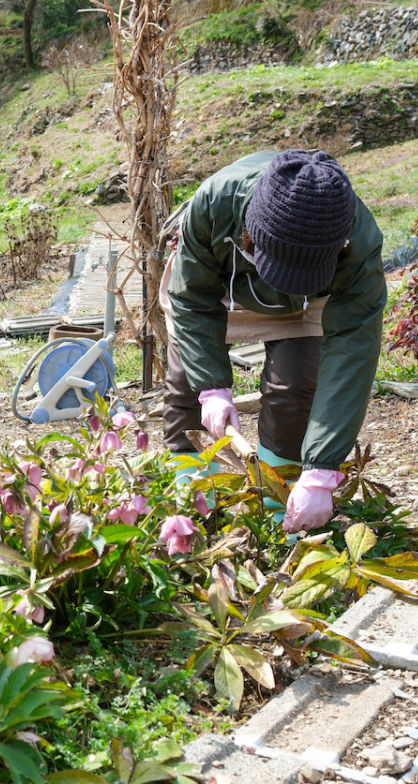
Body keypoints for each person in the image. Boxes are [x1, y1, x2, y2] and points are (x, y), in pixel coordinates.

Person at [159, 149, 385, 533]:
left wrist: (322, 469)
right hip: (219, 287)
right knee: (186, 392)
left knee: (295, 390)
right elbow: (191, 298)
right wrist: (212, 387)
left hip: (308, 305)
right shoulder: (215, 202)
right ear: (252, 232)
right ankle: (193, 508)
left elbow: (352, 347)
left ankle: (280, 512)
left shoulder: (358, 244)